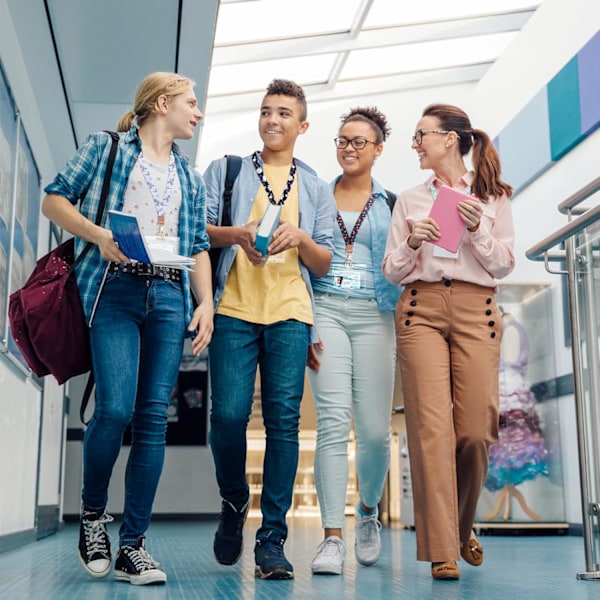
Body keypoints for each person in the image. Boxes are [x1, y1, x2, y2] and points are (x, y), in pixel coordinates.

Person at [41, 72, 213, 586]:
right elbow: (54, 198)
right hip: (113, 288)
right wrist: (98, 235)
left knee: (154, 417)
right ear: (163, 104)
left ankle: (133, 547)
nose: (197, 112)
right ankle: (94, 516)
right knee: (114, 407)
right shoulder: (106, 147)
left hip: (168, 296)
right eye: (190, 102)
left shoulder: (190, 176)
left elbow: (198, 243)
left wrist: (205, 303)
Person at [203, 78, 336, 580]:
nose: (273, 120)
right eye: (266, 111)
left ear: (302, 125)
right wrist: (237, 234)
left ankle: (272, 539)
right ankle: (235, 500)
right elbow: (198, 231)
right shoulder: (228, 170)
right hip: (234, 309)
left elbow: (323, 263)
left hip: (290, 314)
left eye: (284, 113)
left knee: (283, 424)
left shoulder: (316, 185)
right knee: (228, 416)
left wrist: (300, 237)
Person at [382, 103, 515, 581]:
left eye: (422, 135)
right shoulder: (409, 200)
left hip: (478, 311)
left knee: (476, 431)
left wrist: (478, 228)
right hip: (421, 310)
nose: (416, 144)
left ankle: (459, 527)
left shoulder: (494, 196)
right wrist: (413, 242)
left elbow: (503, 265)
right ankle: (443, 549)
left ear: (452, 139)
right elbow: (391, 271)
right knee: (431, 432)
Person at [306, 107, 400, 575]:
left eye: (360, 141)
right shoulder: (316, 197)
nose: (349, 147)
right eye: (343, 139)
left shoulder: (393, 203)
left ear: (378, 149)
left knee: (376, 432)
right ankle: (331, 537)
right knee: (331, 421)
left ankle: (367, 512)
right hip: (324, 310)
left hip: (375, 315)